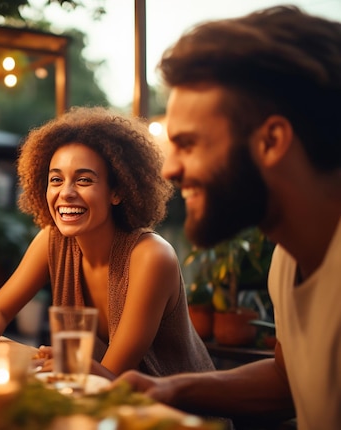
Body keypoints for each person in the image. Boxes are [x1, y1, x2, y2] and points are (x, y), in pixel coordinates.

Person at [116, 6, 341, 429]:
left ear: (272, 141)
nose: (170, 169)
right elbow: (287, 380)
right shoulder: (288, 258)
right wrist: (171, 389)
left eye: (188, 144)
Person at [0, 106, 215, 378]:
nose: (65, 193)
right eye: (56, 179)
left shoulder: (152, 256)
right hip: (105, 402)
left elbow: (112, 374)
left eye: (84, 180)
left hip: (173, 413)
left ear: (117, 191)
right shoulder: (52, 241)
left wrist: (74, 364)